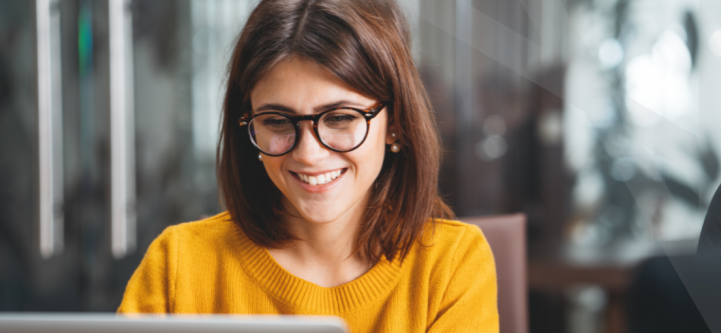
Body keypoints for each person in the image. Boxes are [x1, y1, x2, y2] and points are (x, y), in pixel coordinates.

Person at [118, 0, 499, 331]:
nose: (309, 154)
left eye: (340, 118)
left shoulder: (451, 266)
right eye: (277, 122)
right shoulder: (179, 263)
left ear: (395, 123)